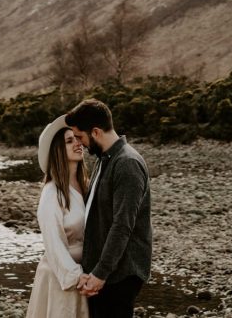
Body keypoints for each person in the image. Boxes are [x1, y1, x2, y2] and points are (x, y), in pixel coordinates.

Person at [66, 99, 152, 318]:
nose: (80, 143)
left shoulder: (127, 164)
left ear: (95, 132)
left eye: (80, 136)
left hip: (121, 273)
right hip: (105, 270)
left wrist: (100, 274)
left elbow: (123, 225)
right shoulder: (105, 159)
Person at [26, 115, 90, 318]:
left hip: (84, 273)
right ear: (57, 150)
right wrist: (76, 276)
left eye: (77, 138)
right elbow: (53, 242)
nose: (77, 143)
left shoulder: (86, 185)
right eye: (69, 141)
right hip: (61, 276)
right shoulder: (52, 192)